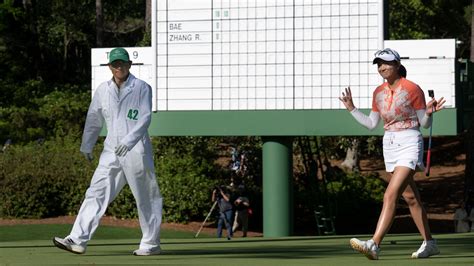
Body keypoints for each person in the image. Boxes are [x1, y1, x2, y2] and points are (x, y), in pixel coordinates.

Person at [53, 47, 163, 256]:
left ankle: (151, 243)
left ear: (129, 64)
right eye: (115, 64)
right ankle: (77, 239)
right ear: (110, 67)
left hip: (136, 150)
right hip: (111, 150)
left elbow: (145, 117)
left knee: (145, 196)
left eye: (122, 63)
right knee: (96, 192)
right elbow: (94, 118)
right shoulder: (103, 90)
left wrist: (130, 141)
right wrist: (87, 145)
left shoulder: (142, 88)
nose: (118, 67)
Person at [339, 48, 446, 260]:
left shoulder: (412, 89)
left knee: (390, 194)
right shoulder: (378, 92)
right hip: (389, 145)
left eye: (386, 63)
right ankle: (430, 242)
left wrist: (430, 113)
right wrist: (352, 109)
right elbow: (371, 124)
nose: (382, 67)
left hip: (409, 143)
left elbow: (424, 123)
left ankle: (374, 244)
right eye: (379, 63)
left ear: (397, 65)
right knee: (411, 198)